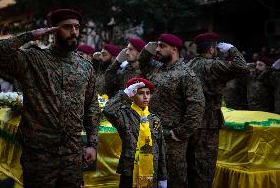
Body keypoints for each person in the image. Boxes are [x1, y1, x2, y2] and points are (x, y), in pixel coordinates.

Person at [0, 8, 100, 188]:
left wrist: (92, 143)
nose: (73, 32)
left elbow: (91, 105)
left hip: (72, 154)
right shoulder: (33, 59)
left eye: (76, 27)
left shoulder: (85, 67)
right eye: (67, 27)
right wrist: (29, 35)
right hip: (39, 154)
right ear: (53, 30)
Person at [138, 33, 205, 188]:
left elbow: (197, 107)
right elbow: (143, 62)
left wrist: (179, 133)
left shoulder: (186, 74)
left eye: (162, 46)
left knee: (174, 179)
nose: (158, 50)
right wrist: (149, 47)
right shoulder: (156, 68)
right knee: (151, 178)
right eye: (158, 46)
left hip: (172, 140)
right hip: (151, 133)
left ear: (174, 49)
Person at [186, 32, 248, 188]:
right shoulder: (213, 65)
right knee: (205, 167)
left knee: (191, 164)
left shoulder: (189, 64)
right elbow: (242, 67)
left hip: (190, 120)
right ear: (212, 50)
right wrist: (232, 49)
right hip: (209, 122)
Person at [103, 77, 167, 188]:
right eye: (141, 93)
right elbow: (108, 110)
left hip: (152, 172)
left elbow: (161, 150)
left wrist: (163, 177)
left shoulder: (154, 119)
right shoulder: (124, 115)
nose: (146, 97)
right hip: (130, 171)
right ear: (132, 95)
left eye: (148, 93)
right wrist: (125, 94)